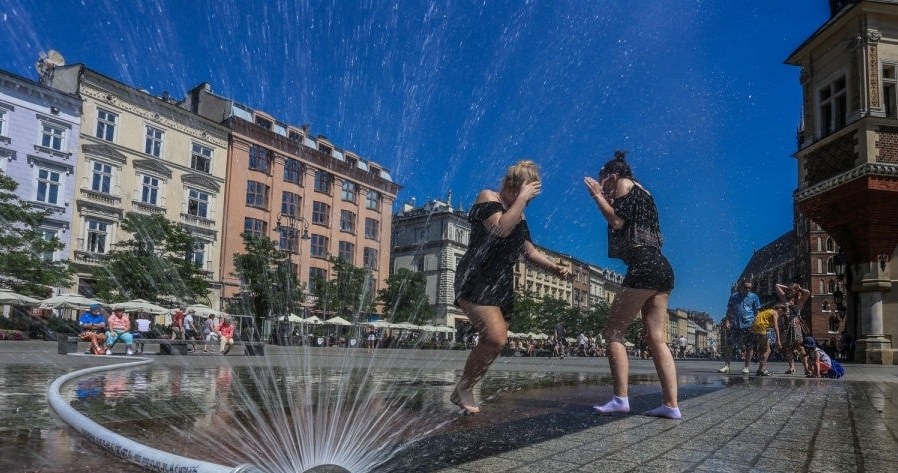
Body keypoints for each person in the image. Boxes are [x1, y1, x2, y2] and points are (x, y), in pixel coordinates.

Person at [452, 160, 569, 415]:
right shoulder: (487, 197)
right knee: (495, 337)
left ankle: (464, 387)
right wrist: (522, 199)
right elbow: (501, 229)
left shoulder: (519, 213)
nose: (527, 200)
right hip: (477, 277)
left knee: (495, 342)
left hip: (501, 283)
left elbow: (529, 250)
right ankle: (464, 388)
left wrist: (553, 268)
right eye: (524, 192)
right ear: (511, 185)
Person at [584, 151, 680, 419]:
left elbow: (617, 221)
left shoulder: (624, 183)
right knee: (656, 338)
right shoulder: (644, 192)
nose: (604, 189)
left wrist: (597, 196)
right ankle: (671, 405)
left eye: (604, 182)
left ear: (613, 176)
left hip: (644, 265)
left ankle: (620, 399)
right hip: (661, 266)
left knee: (613, 332)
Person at [718, 279, 761, 374]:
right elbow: (729, 310)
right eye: (746, 287)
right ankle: (726, 366)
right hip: (735, 323)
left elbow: (757, 311)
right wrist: (727, 320)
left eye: (750, 288)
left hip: (749, 324)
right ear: (741, 287)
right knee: (729, 345)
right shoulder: (734, 297)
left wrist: (757, 323)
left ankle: (746, 367)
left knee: (749, 346)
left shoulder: (754, 297)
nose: (748, 289)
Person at [776, 282, 811, 375]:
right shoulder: (785, 299)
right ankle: (791, 367)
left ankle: (806, 368)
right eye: (789, 290)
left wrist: (799, 288)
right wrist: (788, 288)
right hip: (786, 324)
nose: (790, 292)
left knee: (799, 346)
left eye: (792, 290)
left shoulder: (800, 300)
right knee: (787, 347)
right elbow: (777, 286)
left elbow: (808, 292)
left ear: (796, 291)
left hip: (795, 324)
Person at [750, 304, 785, 376]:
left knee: (763, 350)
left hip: (754, 329)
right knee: (768, 350)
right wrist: (778, 340)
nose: (782, 314)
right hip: (761, 328)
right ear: (779, 309)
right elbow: (776, 327)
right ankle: (761, 370)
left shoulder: (766, 311)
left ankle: (761, 368)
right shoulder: (775, 312)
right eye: (783, 311)